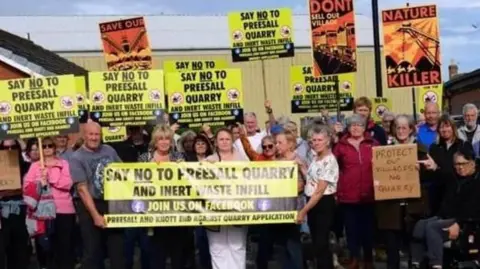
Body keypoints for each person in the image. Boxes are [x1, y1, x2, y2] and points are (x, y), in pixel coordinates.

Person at [410, 145, 480, 269]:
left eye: (463, 164)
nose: (460, 167)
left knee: (432, 227)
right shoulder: (454, 178)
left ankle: (436, 264)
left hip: (465, 221)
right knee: (420, 225)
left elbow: (474, 209)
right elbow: (442, 175)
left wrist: (459, 223)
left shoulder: (476, 182)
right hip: (446, 216)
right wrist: (434, 167)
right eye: (456, 165)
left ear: (472, 163)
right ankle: (416, 262)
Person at [375, 115, 430, 269]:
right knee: (392, 251)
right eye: (398, 127)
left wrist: (427, 169)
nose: (401, 131)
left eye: (404, 127)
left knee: (415, 249)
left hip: (414, 208)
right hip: (391, 208)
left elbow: (430, 177)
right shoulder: (385, 152)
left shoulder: (421, 149)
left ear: (411, 129)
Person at [69, 121, 125, 269]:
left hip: (111, 203)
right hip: (89, 205)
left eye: (97, 134)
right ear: (84, 136)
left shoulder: (109, 150)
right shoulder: (76, 157)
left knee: (118, 250)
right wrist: (95, 216)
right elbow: (82, 189)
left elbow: (124, 172)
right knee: (92, 252)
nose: (94, 138)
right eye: (91, 134)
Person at [138, 124, 190, 269]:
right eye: (160, 139)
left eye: (167, 138)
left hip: (177, 213)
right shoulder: (144, 158)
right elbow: (136, 183)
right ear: (155, 141)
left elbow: (188, 181)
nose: (164, 142)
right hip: (153, 215)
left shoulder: (179, 157)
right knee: (156, 257)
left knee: (177, 257)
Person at [333, 114, 379, 269]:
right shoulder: (341, 145)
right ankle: (354, 258)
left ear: (364, 127)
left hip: (369, 194)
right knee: (351, 230)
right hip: (348, 195)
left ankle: (368, 259)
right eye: (352, 125)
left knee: (368, 230)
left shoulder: (373, 144)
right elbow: (333, 167)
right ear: (348, 127)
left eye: (359, 124)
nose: (356, 127)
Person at [23, 137, 76, 269]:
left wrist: (50, 178)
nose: (47, 148)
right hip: (43, 211)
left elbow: (68, 183)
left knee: (65, 247)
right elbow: (26, 186)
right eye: (44, 146)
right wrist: (39, 181)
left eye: (50, 146)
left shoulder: (64, 163)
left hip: (64, 210)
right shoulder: (35, 166)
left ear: (54, 147)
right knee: (47, 248)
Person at [205, 128, 248, 269]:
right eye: (221, 139)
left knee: (237, 246)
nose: (224, 142)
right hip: (214, 211)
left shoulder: (243, 161)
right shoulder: (208, 161)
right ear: (216, 143)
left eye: (227, 139)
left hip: (238, 209)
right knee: (217, 247)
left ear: (232, 141)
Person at [297, 125, 338, 269]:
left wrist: (303, 211)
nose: (316, 143)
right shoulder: (316, 158)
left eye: (320, 140)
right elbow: (312, 179)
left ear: (327, 141)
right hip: (312, 202)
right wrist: (302, 166)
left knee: (321, 243)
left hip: (323, 203)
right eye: (313, 140)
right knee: (316, 241)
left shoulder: (330, 160)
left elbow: (319, 191)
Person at [272, 130, 305, 269]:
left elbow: (303, 184)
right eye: (276, 142)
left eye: (280, 142)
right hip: (277, 210)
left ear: (290, 144)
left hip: (293, 209)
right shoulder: (275, 161)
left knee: (293, 245)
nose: (276, 145)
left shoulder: (297, 160)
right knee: (280, 247)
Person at [428, 115, 473, 216]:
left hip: (457, 193)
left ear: (453, 128)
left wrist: (436, 168)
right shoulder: (434, 147)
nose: (444, 130)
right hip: (439, 194)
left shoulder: (463, 145)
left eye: (447, 126)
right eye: (441, 127)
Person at [185, 134, 213, 269]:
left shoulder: (214, 160)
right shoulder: (187, 161)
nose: (201, 145)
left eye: (203, 143)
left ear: (208, 146)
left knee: (206, 240)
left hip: (209, 205)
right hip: (192, 205)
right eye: (198, 143)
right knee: (193, 240)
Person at [0, 139, 29, 269]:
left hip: (22, 213)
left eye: (13, 147)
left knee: (20, 250)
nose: (9, 150)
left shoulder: (26, 166)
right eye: (6, 148)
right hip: (2, 216)